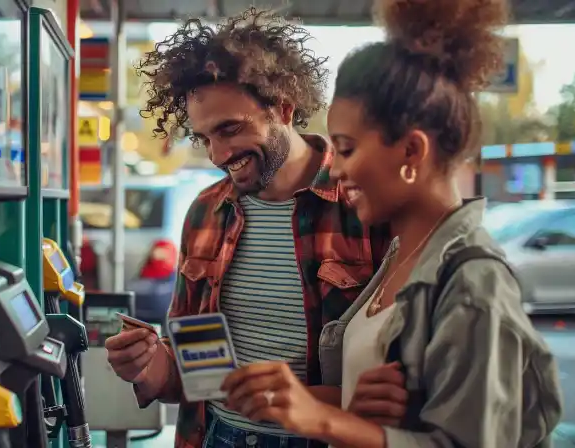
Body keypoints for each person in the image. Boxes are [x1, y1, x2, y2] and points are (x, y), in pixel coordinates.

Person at [221, 0, 564, 447]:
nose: (337, 170)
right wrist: (356, 403)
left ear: (411, 153)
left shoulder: (474, 286)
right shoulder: (402, 254)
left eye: (346, 149)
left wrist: (324, 421)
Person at [103, 8, 396, 448]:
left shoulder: (365, 203)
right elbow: (193, 378)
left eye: (230, 129)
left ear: (282, 107)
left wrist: (299, 401)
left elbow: (405, 384)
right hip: (216, 435)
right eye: (204, 138)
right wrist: (147, 365)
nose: (218, 154)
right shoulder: (205, 212)